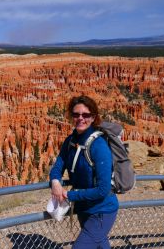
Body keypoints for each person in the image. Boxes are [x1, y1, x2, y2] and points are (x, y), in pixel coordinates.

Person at [49, 95, 118, 249]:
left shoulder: (98, 146)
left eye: (86, 115)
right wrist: (55, 182)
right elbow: (58, 166)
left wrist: (69, 195)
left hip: (101, 211)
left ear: (93, 117)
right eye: (76, 114)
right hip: (83, 209)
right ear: (71, 116)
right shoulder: (71, 141)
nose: (81, 118)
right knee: (100, 245)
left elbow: (103, 189)